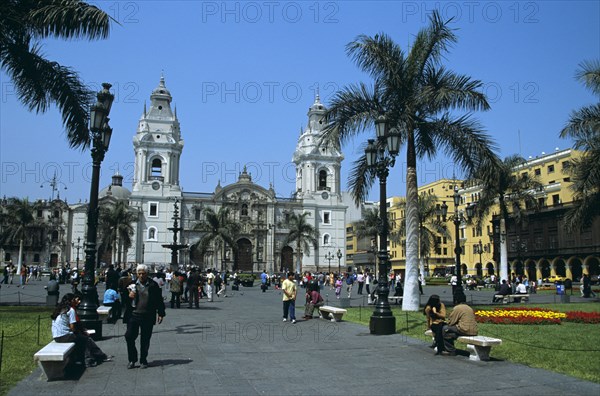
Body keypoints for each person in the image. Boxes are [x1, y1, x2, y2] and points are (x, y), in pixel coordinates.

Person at [51, 293, 112, 368]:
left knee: (82, 338)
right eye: (74, 299)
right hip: (65, 335)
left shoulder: (59, 309)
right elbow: (72, 327)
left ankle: (96, 356)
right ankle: (91, 359)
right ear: (70, 301)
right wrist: (80, 333)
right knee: (86, 339)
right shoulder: (71, 310)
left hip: (56, 336)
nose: (77, 301)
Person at [124, 264, 166, 369]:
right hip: (133, 315)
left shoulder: (153, 285)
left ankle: (143, 360)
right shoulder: (131, 284)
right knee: (129, 336)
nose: (141, 275)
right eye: (139, 273)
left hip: (148, 315)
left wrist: (161, 313)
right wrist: (128, 297)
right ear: (136, 274)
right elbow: (123, 300)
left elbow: (159, 300)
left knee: (145, 339)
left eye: (143, 273)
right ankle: (132, 359)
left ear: (147, 274)